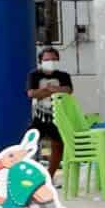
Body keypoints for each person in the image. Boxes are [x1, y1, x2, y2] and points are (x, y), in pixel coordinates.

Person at [26, 43, 73, 173]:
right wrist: (52, 90)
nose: (50, 62)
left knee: (58, 145)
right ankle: (29, 172)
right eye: (46, 60)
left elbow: (68, 90)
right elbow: (31, 93)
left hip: (57, 116)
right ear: (41, 61)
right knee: (29, 143)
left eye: (53, 59)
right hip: (39, 116)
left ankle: (49, 176)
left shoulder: (63, 76)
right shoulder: (34, 75)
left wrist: (47, 91)